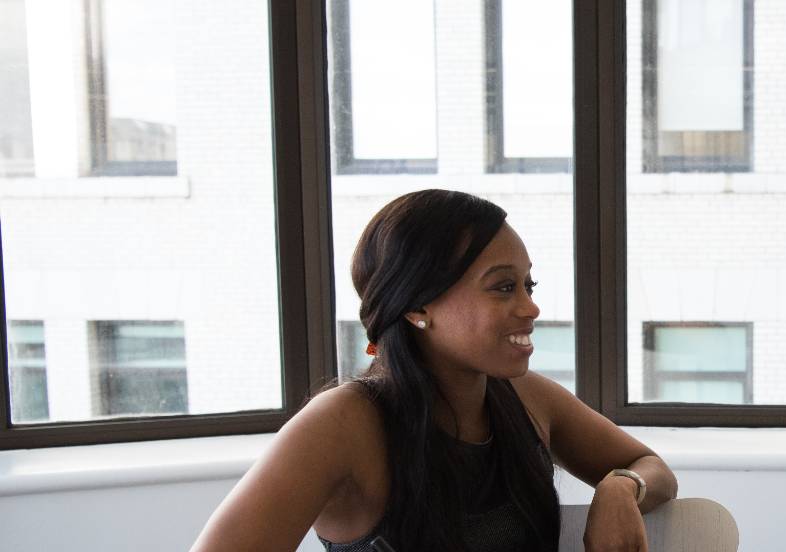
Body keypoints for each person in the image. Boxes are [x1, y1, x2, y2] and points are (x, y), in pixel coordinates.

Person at [193, 189, 677, 552]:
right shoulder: (341, 423)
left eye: (528, 284)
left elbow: (651, 468)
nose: (531, 308)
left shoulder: (528, 396)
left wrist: (619, 487)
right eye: (503, 287)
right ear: (418, 305)